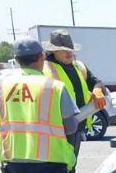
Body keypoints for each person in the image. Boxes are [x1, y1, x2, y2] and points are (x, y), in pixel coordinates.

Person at [0, 37, 81, 173]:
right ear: (41, 56)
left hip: (15, 159)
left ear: (16, 60)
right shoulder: (54, 87)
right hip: (52, 159)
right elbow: (71, 127)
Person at [42, 30, 106, 163]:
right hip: (57, 130)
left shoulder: (79, 66)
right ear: (53, 51)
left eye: (70, 49)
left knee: (70, 166)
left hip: (77, 127)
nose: (69, 52)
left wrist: (97, 90)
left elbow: (96, 82)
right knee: (62, 168)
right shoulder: (44, 68)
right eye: (64, 49)